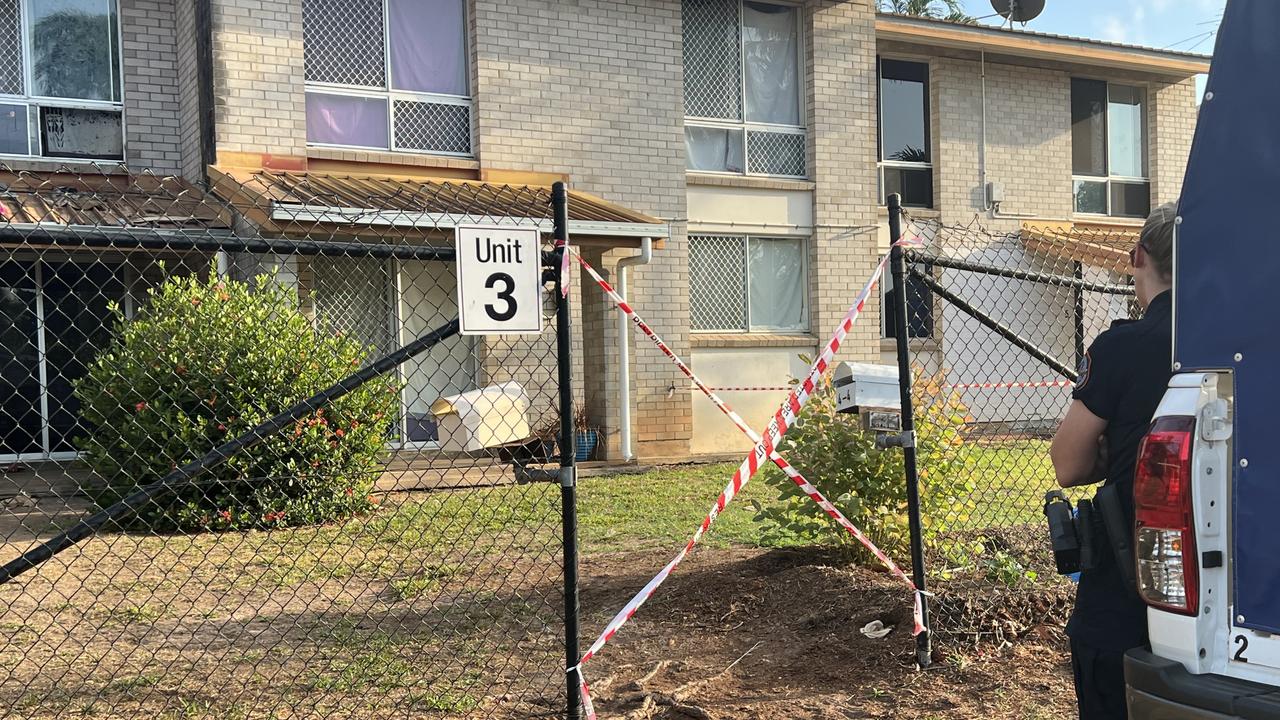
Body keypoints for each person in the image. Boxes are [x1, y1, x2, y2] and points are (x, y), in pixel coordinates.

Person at [1050, 202, 1177, 719]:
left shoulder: (1125, 345)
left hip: (1129, 594)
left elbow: (1069, 464)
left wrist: (1113, 455)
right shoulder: (1245, 343)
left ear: (1137, 255)